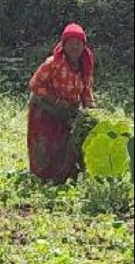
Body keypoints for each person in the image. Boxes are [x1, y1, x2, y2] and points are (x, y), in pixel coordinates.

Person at [27, 22, 97, 183]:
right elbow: (35, 84)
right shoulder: (53, 63)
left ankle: (62, 177)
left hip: (67, 111)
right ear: (64, 45)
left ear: (84, 46)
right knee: (45, 145)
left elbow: (86, 90)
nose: (75, 47)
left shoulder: (84, 67)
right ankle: (42, 179)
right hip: (45, 109)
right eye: (71, 43)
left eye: (78, 43)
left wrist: (91, 109)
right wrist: (56, 101)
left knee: (65, 144)